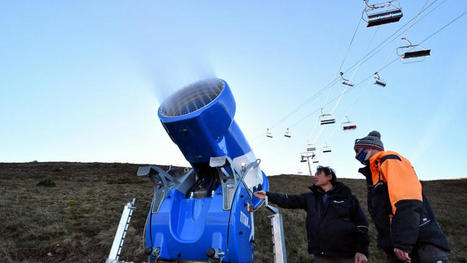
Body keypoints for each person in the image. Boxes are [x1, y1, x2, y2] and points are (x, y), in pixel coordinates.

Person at [353, 131, 451, 263]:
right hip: (400, 247)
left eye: (357, 150)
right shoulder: (375, 173)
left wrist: (403, 242)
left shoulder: (390, 160)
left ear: (371, 147)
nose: (356, 155)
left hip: (419, 245)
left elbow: (407, 201)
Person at [254, 166, 369, 263]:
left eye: (318, 174)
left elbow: (362, 225)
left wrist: (362, 251)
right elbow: (288, 200)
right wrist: (267, 195)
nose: (315, 176)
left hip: (347, 256)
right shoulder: (310, 198)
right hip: (321, 256)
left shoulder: (348, 198)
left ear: (329, 177)